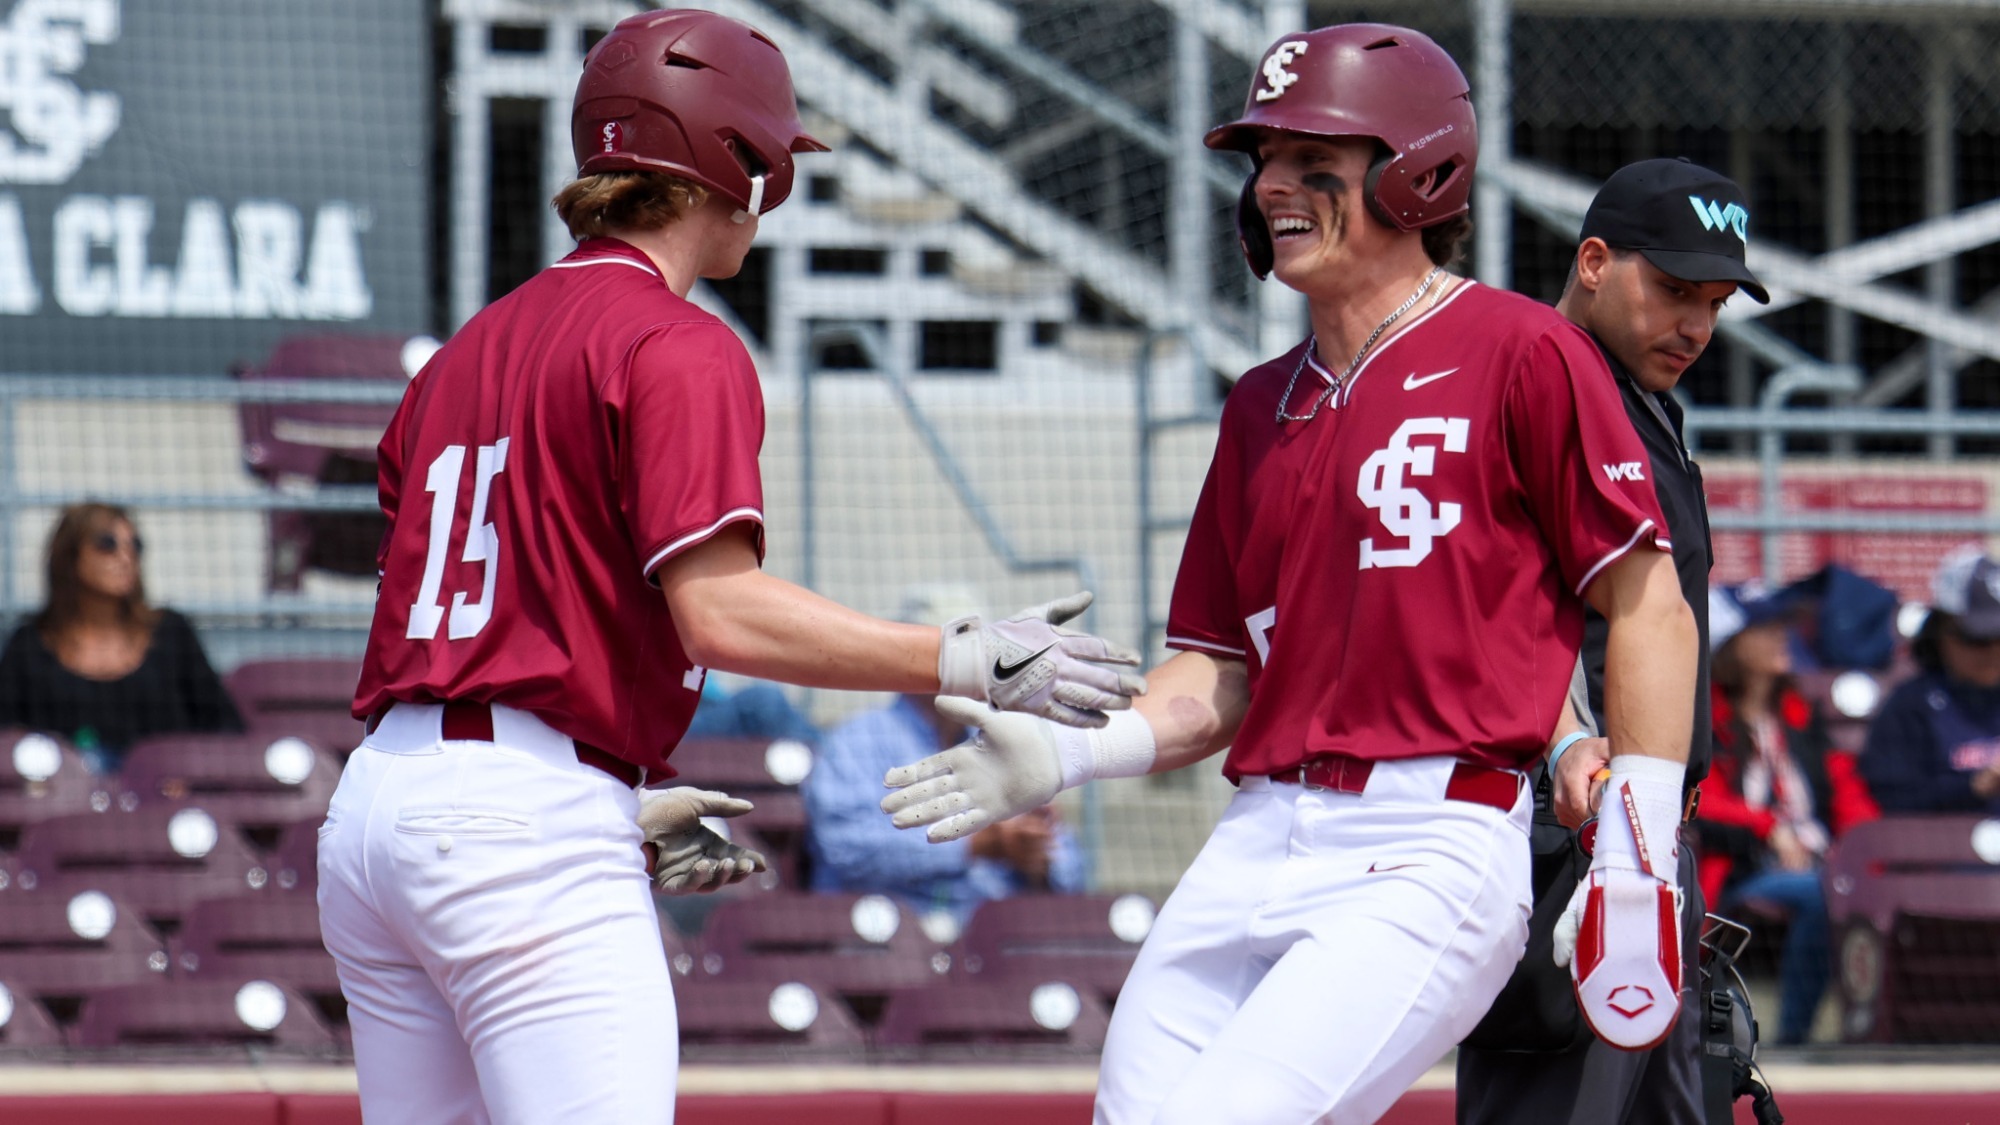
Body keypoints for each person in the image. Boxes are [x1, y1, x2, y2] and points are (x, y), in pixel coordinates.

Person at [314, 12, 1144, 1125]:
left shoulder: (463, 349)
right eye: (770, 158)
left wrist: (618, 787)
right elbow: (720, 614)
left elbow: (485, 604)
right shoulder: (676, 338)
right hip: (520, 826)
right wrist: (963, 660)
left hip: (380, 812)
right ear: (733, 161)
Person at [879, 26, 1697, 1125]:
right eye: (1262, 161)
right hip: (1257, 832)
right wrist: (1080, 749)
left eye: (1315, 163)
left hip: (1429, 839)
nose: (1271, 188)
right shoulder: (1257, 400)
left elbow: (1647, 603)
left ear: (1418, 175)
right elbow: (1220, 672)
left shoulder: (1521, 349)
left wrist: (1637, 855)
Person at [1457, 158, 1768, 1125]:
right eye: (1674, 290)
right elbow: (1488, 606)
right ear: (1593, 261)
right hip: (1569, 827)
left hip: (1648, 830)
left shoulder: (1638, 402)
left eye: (1714, 302)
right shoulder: (1536, 383)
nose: (1697, 326)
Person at [805, 586, 1086, 926]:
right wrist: (975, 845)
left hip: (1000, 936)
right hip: (885, 935)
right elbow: (847, 849)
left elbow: (1071, 869)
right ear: (907, 658)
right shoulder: (856, 741)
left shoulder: (1010, 746)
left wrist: (1037, 852)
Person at [1695, 584, 1877, 1045]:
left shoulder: (1797, 711)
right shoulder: (1701, 716)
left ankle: (1879, 1031)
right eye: (1766, 628)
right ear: (1730, 644)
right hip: (1741, 868)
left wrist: (1860, 847)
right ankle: (1794, 1038)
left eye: (1782, 625)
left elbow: (1844, 786)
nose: (1783, 636)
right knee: (1823, 893)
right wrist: (1769, 828)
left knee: (1848, 885)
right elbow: (1698, 798)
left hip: (1818, 862)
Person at [0, 502, 242, 771]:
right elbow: (8, 738)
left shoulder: (171, 634)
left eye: (135, 546)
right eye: (107, 544)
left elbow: (224, 726)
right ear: (70, 556)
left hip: (163, 799)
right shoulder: (30, 645)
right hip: (65, 804)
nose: (125, 556)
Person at [1862, 545, 2000, 813]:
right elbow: (1891, 803)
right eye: (1977, 638)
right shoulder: (1912, 707)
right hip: (1942, 852)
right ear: (1940, 631)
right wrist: (1974, 787)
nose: (1994, 651)